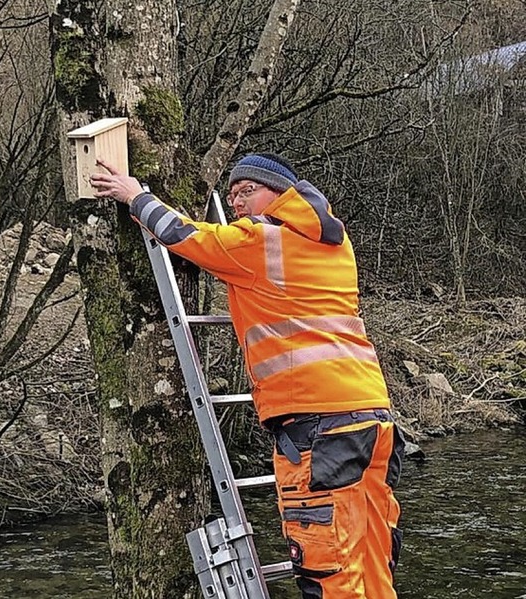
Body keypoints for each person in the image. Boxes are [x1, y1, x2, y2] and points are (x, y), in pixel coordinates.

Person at [90, 153, 405, 599]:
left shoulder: (262, 240)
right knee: (372, 554)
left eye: (247, 192)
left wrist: (134, 196)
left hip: (315, 421)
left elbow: (185, 235)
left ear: (279, 196)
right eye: (233, 193)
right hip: (371, 414)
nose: (236, 202)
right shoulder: (334, 240)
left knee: (328, 564)